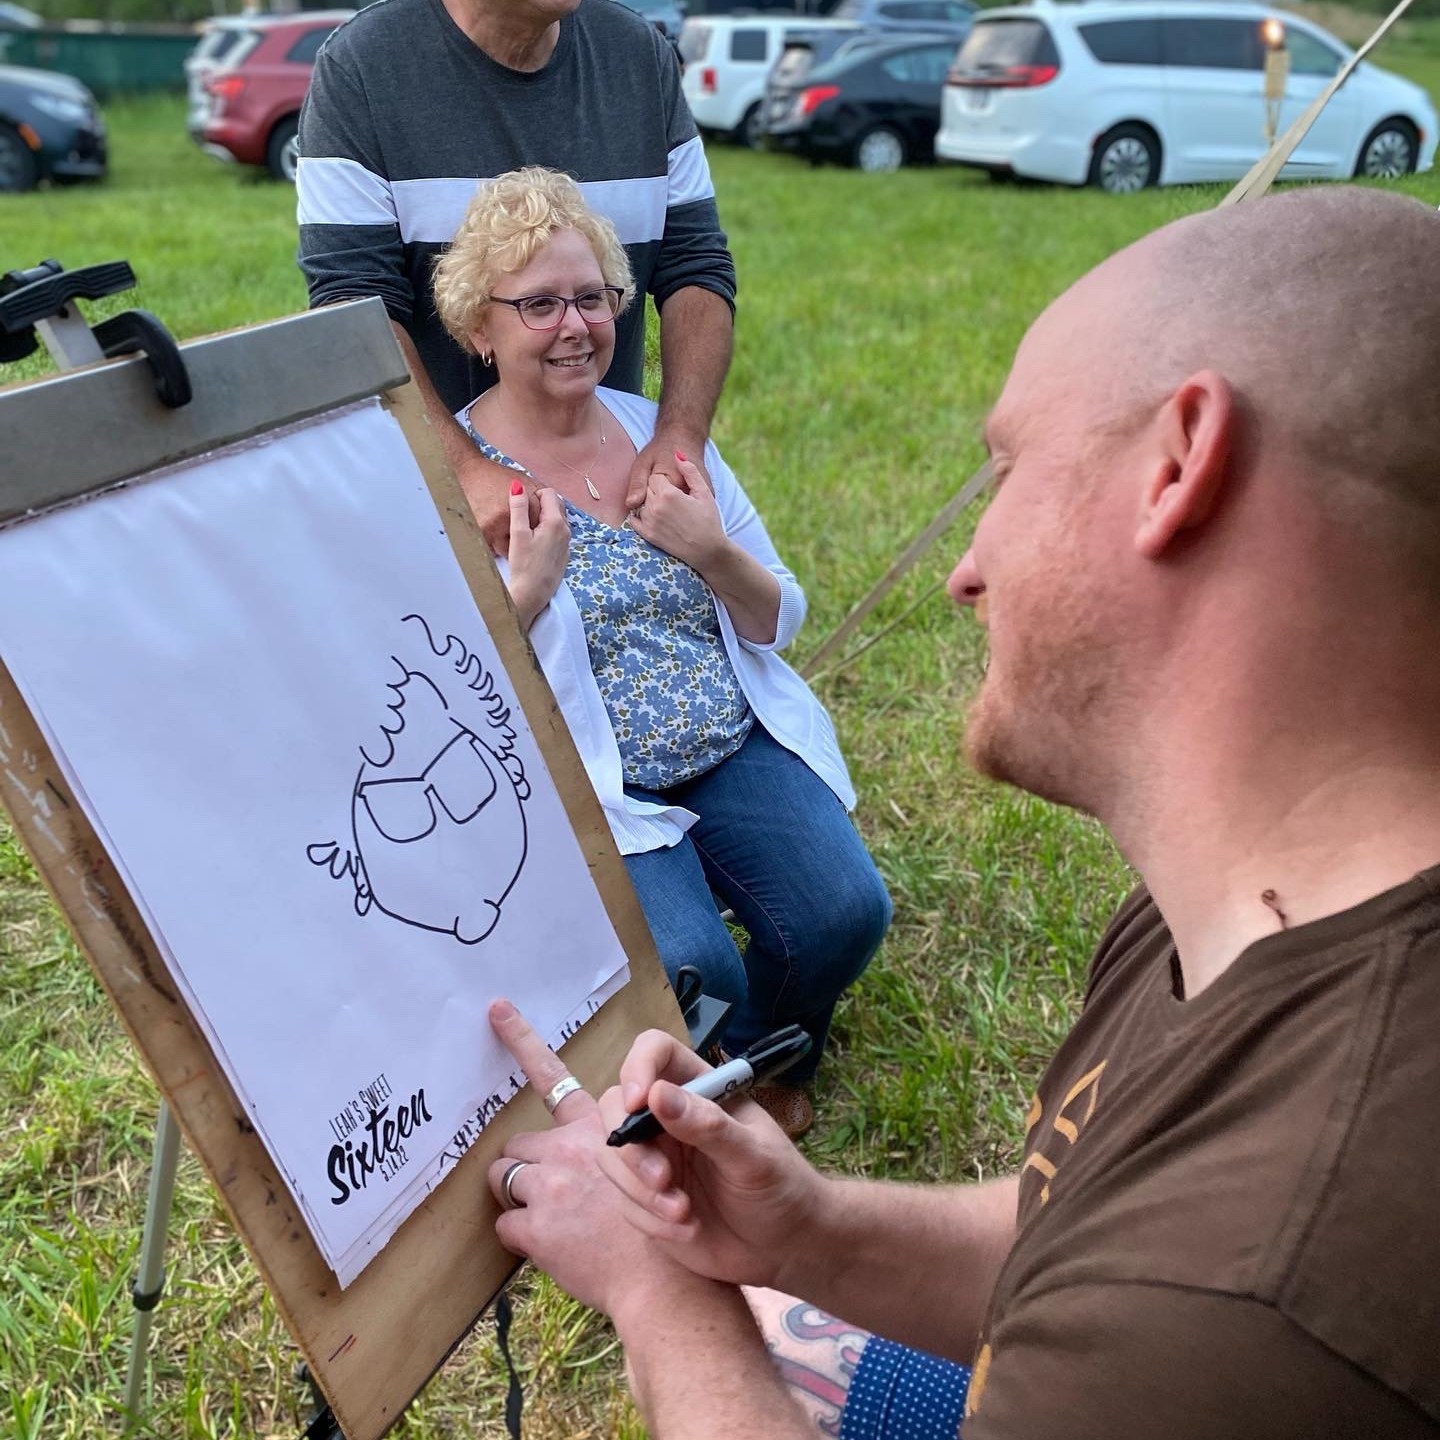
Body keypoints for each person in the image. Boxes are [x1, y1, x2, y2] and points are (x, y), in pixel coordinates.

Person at [481, 183, 1440, 1438]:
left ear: (1180, 468)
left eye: (1011, 468)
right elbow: (1074, 1238)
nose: (965, 565)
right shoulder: (1214, 924)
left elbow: (1157, 1295)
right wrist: (811, 1229)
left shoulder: (1251, 1288)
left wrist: (659, 1295)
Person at [433, 167, 891, 1135]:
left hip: (729, 744)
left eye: (593, 297)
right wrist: (526, 595)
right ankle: (701, 1073)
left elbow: (777, 618)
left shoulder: (660, 436)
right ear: (480, 329)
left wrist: (712, 550)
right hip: (593, 788)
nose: (575, 325)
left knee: (843, 912)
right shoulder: (459, 482)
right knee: (694, 966)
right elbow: (449, 699)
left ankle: (770, 1050)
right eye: (539, 304)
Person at [296, 0, 737, 555]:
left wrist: (680, 439)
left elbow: (697, 267)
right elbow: (353, 307)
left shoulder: (639, 57)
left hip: (619, 497)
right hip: (432, 502)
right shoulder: (362, 67)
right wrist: (460, 469)